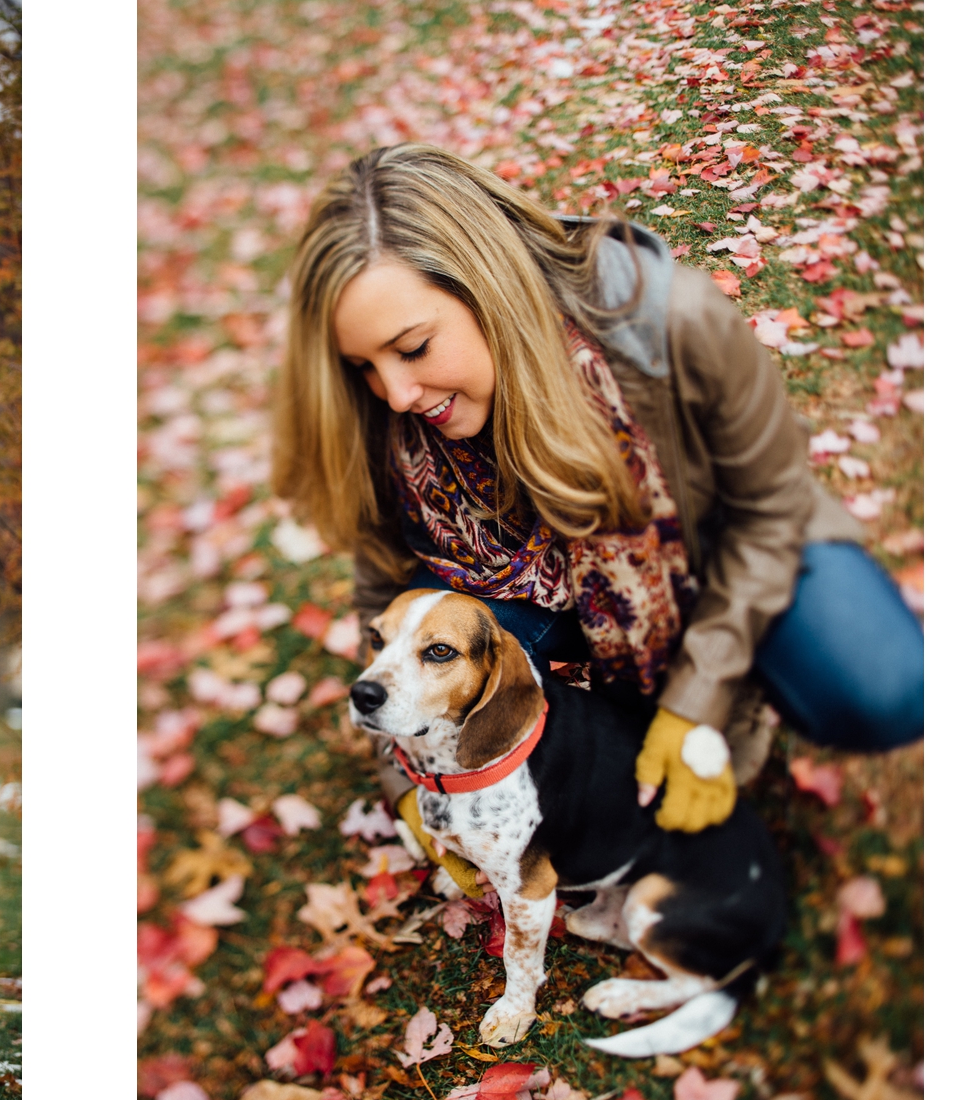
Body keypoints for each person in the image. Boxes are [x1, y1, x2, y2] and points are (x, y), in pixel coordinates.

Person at [274, 143, 922, 844]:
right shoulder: (382, 412)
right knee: (451, 635)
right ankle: (593, 719)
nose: (396, 393)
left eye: (415, 348)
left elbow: (769, 512)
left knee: (881, 686)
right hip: (537, 597)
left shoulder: (675, 321)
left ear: (489, 288)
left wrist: (696, 699)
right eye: (364, 366)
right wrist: (412, 789)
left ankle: (720, 679)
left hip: (722, 552)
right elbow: (387, 607)